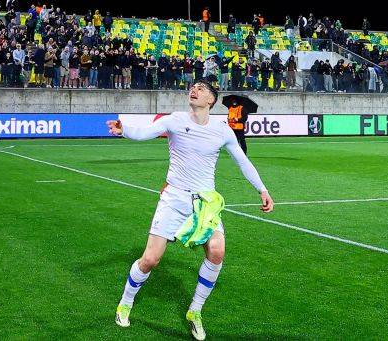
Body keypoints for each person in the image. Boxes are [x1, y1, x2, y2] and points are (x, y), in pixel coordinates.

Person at [107, 81, 274, 339]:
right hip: (174, 197)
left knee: (217, 252)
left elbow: (243, 161)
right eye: (193, 87)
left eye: (201, 89)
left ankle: (195, 311)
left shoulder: (222, 130)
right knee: (150, 259)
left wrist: (262, 189)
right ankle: (125, 302)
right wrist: (124, 129)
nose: (194, 90)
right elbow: (144, 132)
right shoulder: (175, 120)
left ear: (211, 100)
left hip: (205, 203)